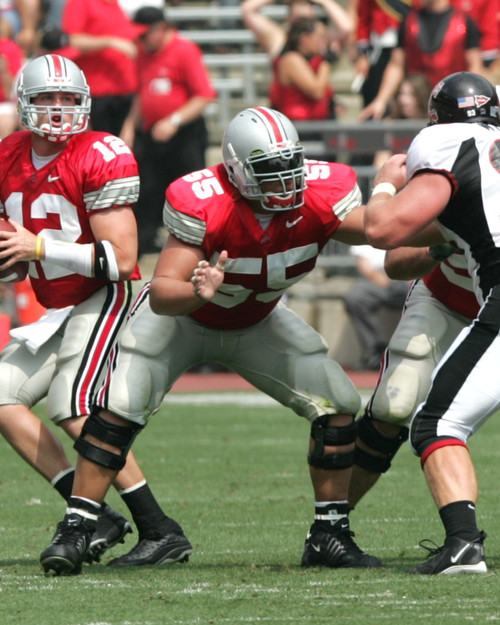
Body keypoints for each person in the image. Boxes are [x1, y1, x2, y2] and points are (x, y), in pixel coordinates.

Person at [40, 105, 383, 576]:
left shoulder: (325, 192)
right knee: (116, 408)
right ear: (238, 172)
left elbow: (384, 231)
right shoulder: (203, 198)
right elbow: (161, 294)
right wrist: (198, 290)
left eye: (291, 166)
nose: (285, 181)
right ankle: (77, 527)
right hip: (182, 322)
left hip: (257, 322)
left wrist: (397, 196)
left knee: (339, 403)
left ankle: (329, 534)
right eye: (269, 170)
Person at [0, 53, 189, 570]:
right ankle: (101, 516)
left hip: (106, 295)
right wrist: (15, 258)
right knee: (2, 397)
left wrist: (36, 249)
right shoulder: (8, 154)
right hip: (58, 306)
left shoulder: (101, 153)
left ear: (84, 102)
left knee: (74, 405)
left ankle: (152, 526)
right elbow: (14, 258)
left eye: (68, 99)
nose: (58, 110)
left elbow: (121, 260)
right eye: (46, 99)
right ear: (24, 104)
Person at [363, 70, 500, 574]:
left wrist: (383, 183)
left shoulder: (445, 142)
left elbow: (382, 229)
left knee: (439, 422)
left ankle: (463, 544)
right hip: (467, 293)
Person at [348, 242, 478, 508]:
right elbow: (395, 260)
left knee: (444, 423)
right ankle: (329, 526)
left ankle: (462, 538)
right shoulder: (446, 198)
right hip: (448, 300)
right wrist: (436, 247)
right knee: (396, 402)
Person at [120, 5, 216, 257]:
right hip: (153, 135)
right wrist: (129, 127)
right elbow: (144, 92)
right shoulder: (144, 53)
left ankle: (195, 247)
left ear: (160, 29)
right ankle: (142, 247)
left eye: (144, 34)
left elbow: (204, 95)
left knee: (188, 192)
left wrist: (174, 120)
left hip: (184, 136)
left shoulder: (184, 51)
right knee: (147, 190)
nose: (139, 40)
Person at [360, 0, 484, 121]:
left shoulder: (465, 22)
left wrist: (470, 99)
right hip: (417, 106)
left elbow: (475, 66)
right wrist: (381, 100)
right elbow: (396, 65)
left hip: (452, 102)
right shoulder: (408, 22)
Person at [61, 0, 146, 135]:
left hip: (125, 90)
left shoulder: (115, 4)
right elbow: (73, 40)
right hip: (99, 92)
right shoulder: (81, 3)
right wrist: (111, 42)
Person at [342, 244, 409, 371]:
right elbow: (363, 263)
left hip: (415, 276)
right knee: (356, 297)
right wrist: (378, 277)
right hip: (380, 278)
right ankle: (374, 353)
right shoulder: (371, 227)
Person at [269, 16, 335, 121]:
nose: (324, 42)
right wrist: (326, 63)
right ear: (305, 38)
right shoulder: (291, 59)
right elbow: (316, 92)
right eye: (320, 37)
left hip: (315, 125)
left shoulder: (312, 60)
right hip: (299, 128)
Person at [241, 0, 353, 61]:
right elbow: (247, 9)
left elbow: (346, 27)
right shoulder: (279, 38)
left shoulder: (320, 38)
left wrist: (324, 1)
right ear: (288, 18)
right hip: (286, 102)